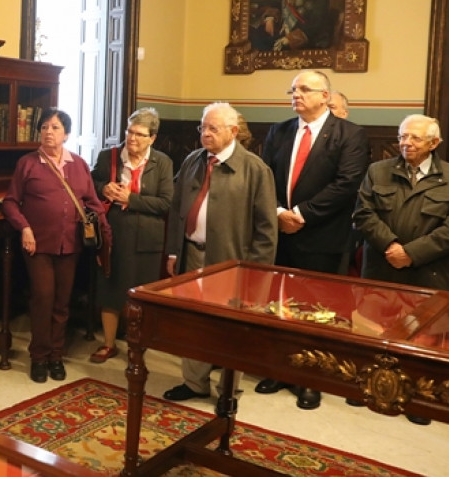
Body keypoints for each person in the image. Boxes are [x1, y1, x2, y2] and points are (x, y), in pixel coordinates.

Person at [255, 71, 369, 410]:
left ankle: (310, 379)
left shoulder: (350, 134)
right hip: (280, 234)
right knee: (279, 307)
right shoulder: (280, 130)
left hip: (322, 236)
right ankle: (278, 369)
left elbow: (347, 184)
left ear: (325, 95)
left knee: (318, 312)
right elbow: (265, 175)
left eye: (304, 89)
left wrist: (301, 214)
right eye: (293, 89)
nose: (296, 94)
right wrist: (277, 211)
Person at [353, 114, 449, 425]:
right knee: (373, 329)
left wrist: (412, 253)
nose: (405, 143)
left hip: (428, 272)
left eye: (415, 138)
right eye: (402, 136)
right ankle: (367, 386)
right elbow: (363, 213)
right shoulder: (377, 171)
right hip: (381, 266)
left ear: (434, 143)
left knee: (422, 336)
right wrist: (392, 246)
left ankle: (418, 398)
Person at [162, 102, 277, 402]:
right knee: (193, 323)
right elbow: (177, 209)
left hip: (231, 263)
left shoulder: (255, 169)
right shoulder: (192, 160)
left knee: (228, 329)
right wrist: (174, 252)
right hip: (190, 254)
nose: (205, 133)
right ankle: (194, 383)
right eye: (203, 127)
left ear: (234, 132)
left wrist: (256, 273)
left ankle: (228, 390)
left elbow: (267, 230)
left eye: (213, 128)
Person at [4, 108, 111, 383]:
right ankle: (38, 357)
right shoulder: (27, 163)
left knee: (62, 303)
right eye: (44, 127)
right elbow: (11, 202)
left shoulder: (78, 164)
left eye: (55, 128)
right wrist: (24, 228)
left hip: (71, 245)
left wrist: (104, 235)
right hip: (37, 245)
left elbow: (91, 202)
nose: (48, 132)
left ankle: (56, 356)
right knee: (42, 298)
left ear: (66, 134)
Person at [89, 107, 172, 364]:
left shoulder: (163, 163)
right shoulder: (108, 157)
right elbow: (90, 184)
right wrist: (105, 188)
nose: (132, 138)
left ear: (152, 138)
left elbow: (166, 203)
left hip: (148, 239)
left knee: (141, 296)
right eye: (129, 131)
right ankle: (108, 344)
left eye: (139, 134)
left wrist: (131, 199)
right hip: (114, 234)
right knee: (110, 290)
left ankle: (138, 347)